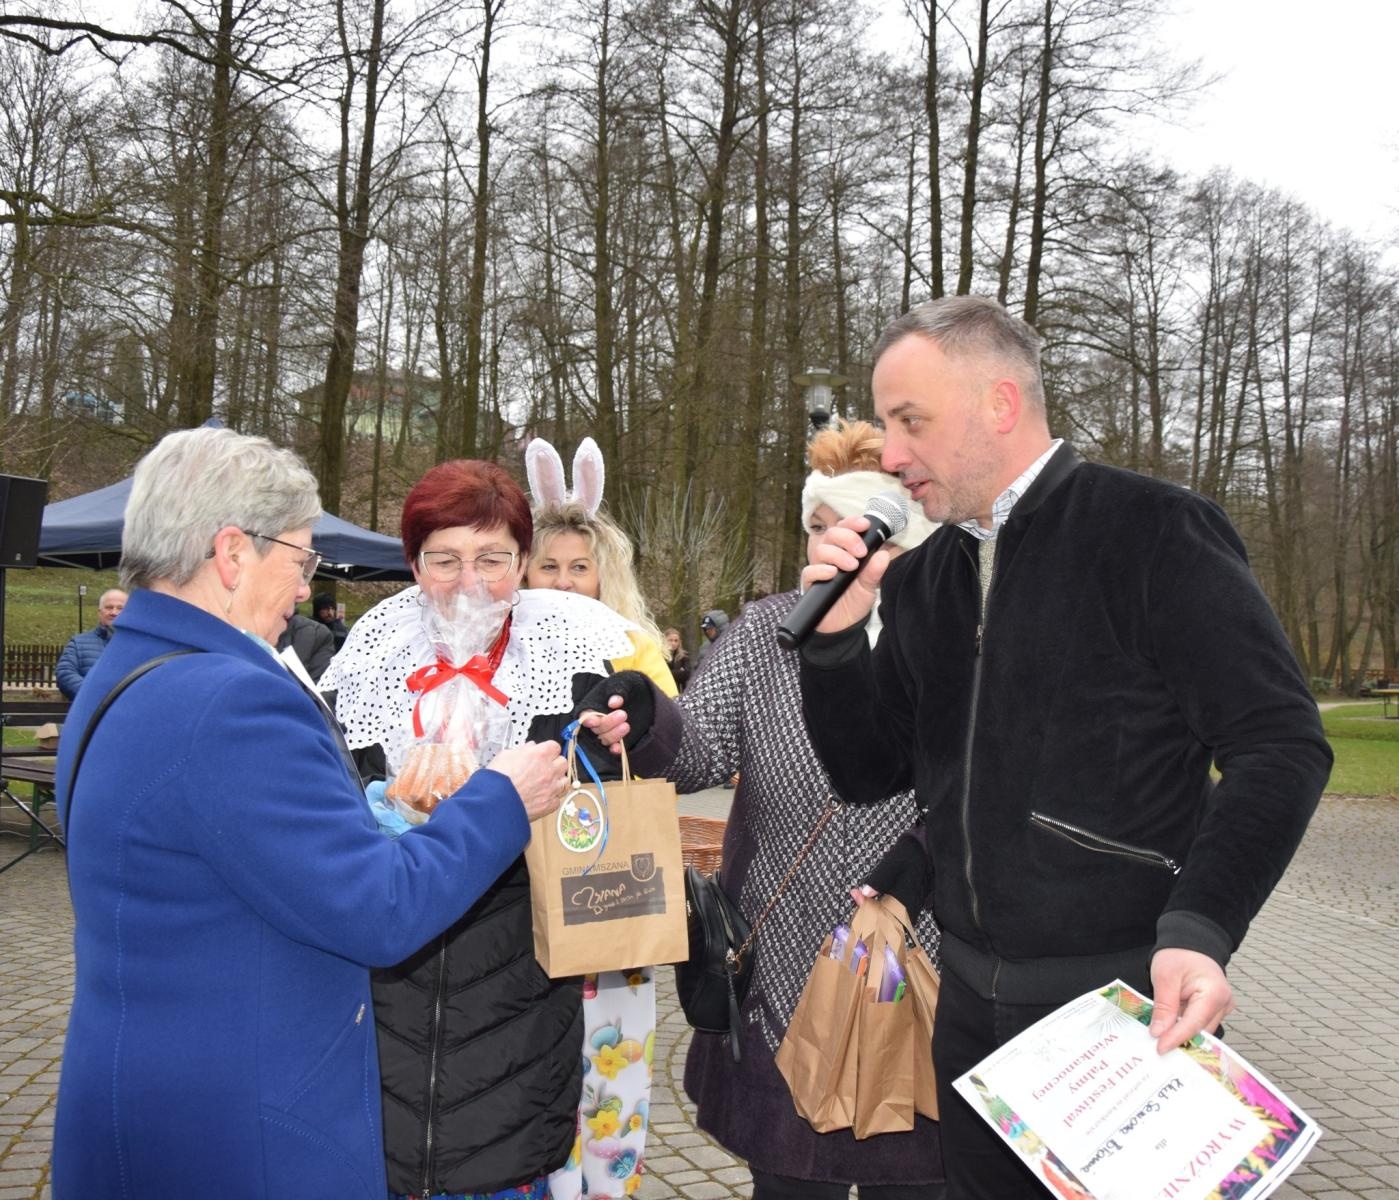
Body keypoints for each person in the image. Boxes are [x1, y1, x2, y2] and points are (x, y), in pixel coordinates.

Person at [796, 296, 1333, 1200]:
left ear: (999, 404)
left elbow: (1278, 743)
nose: (889, 455)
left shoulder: (1152, 532)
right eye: (887, 426)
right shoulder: (924, 577)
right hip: (969, 1014)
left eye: (910, 421)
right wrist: (836, 643)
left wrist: (1200, 932)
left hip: (1124, 1010)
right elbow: (866, 772)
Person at [52, 427, 570, 1198]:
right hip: (244, 1130)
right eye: (299, 562)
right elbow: (378, 909)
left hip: (133, 1097)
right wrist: (502, 797)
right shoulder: (232, 700)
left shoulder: (122, 672)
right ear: (233, 553)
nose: (303, 591)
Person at [581, 419, 945, 1200]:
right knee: (787, 1182)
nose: (827, 545)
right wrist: (644, 719)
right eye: (816, 526)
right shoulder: (767, 633)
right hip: (778, 961)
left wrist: (922, 858)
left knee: (916, 1180)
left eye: (852, 529)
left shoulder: (953, 638)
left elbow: (987, 783)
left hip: (919, 963)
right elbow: (698, 752)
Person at [320, 458, 644, 1200]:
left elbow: (641, 753)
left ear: (522, 563)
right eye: (445, 559)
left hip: (515, 1007)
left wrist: (637, 723)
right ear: (413, 565)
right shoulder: (369, 659)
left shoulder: (568, 651)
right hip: (386, 1000)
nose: (469, 581)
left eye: (493, 558)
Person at [521, 435, 677, 1200]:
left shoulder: (632, 646)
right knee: (536, 1072)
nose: (563, 580)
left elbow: (673, 746)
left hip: (611, 889)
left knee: (615, 1068)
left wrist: (632, 724)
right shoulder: (500, 649)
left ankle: (608, 1187)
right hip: (523, 891)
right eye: (547, 565)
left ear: (602, 572)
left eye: (578, 566)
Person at [54, 587, 126, 698]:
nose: (114, 612)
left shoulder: (140, 645)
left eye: (120, 608)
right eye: (109, 607)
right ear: (99, 612)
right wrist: (93, 696)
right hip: (90, 708)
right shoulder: (78, 643)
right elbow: (65, 673)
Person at [276, 609, 335, 681]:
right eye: (326, 609)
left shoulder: (318, 634)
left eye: (332, 609)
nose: (330, 613)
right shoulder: (315, 632)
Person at [663, 627, 690, 691]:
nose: (673, 643)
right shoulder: (660, 655)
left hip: (679, 690)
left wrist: (669, 672)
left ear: (679, 642)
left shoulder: (684, 656)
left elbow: (686, 674)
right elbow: (662, 674)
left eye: (676, 641)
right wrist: (679, 671)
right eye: (670, 640)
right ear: (664, 640)